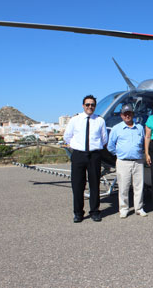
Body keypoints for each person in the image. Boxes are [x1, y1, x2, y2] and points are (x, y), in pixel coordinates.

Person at [64, 95, 108, 223]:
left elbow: (104, 139)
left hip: (94, 155)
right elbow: (67, 136)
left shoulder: (100, 120)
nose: (90, 107)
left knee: (94, 185)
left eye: (92, 105)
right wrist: (77, 146)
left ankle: (95, 212)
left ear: (95, 106)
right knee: (77, 185)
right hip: (78, 155)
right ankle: (78, 213)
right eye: (87, 104)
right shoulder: (75, 120)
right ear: (83, 106)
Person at [107, 104, 147, 218]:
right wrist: (119, 154)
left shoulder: (139, 128)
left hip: (138, 161)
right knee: (123, 186)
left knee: (139, 186)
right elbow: (110, 146)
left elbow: (144, 143)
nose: (127, 115)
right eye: (125, 114)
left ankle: (139, 208)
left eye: (129, 113)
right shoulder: (116, 128)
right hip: (123, 161)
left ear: (133, 114)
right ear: (121, 115)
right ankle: (124, 209)